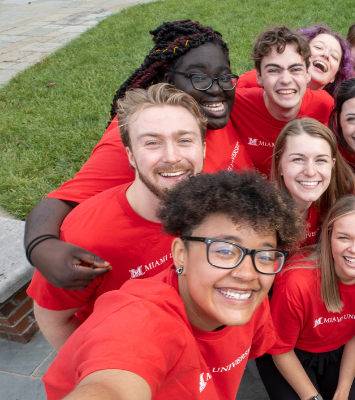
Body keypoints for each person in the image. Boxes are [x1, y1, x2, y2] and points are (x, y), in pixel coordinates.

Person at [24, 20, 254, 291]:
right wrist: (41, 247)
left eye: (224, 76)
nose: (216, 89)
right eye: (198, 77)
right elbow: (62, 200)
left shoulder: (219, 112)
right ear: (169, 81)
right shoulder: (147, 139)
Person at [41, 170, 303, 400]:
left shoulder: (247, 301)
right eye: (224, 251)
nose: (248, 273)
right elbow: (114, 381)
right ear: (181, 254)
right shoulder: (141, 320)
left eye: (265, 256)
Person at [28, 84, 206, 350]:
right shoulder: (86, 235)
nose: (172, 157)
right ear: (131, 156)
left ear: (203, 148)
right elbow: (51, 317)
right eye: (152, 143)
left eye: (184, 140)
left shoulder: (214, 206)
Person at [256, 195, 355, 400]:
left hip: (340, 350)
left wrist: (343, 390)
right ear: (329, 235)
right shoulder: (296, 282)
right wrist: (314, 398)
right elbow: (280, 350)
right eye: (343, 237)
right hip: (290, 354)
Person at [231, 25, 335, 175]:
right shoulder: (236, 103)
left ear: (307, 74)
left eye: (295, 69)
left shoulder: (324, 105)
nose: (286, 80)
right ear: (259, 77)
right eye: (274, 70)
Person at [269, 118, 355, 248]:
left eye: (320, 160)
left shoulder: (335, 204)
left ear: (332, 165)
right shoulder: (262, 219)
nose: (310, 172)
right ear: (279, 165)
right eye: (298, 159)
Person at [237, 24, 355, 97]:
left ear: (334, 77)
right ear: (301, 52)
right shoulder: (255, 79)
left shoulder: (329, 109)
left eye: (334, 56)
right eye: (318, 47)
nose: (325, 55)